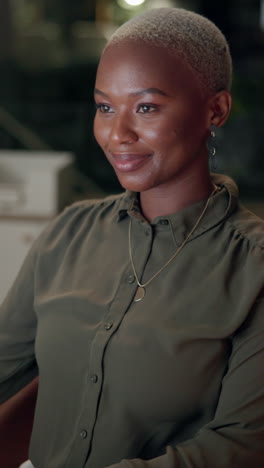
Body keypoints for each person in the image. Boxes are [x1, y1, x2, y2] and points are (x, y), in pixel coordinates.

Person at [0, 7, 264, 468]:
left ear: (215, 110)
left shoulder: (253, 268)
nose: (116, 133)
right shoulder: (67, 235)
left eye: (146, 107)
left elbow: (240, 446)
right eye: (105, 107)